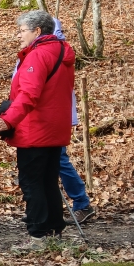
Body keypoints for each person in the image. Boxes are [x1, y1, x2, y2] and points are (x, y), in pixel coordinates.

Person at [0, 11, 77, 248]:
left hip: (35, 129)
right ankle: (54, 229)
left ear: (37, 31)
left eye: (22, 31)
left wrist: (8, 120)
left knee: (31, 182)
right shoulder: (62, 51)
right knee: (48, 179)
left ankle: (38, 233)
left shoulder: (38, 56)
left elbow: (29, 95)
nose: (19, 35)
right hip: (55, 127)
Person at [52, 19, 95, 224]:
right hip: (54, 113)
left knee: (58, 160)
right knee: (53, 160)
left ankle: (81, 203)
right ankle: (47, 208)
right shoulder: (60, 50)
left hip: (53, 115)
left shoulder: (54, 52)